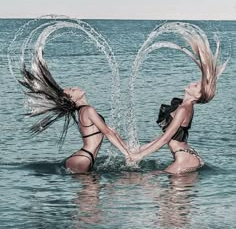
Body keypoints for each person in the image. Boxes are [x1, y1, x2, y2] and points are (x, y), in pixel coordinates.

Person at [128, 23, 228, 174]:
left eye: (196, 86)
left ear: (197, 96)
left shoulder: (183, 109)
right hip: (186, 156)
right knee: (160, 192)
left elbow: (165, 139)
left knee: (147, 181)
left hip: (185, 159)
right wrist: (140, 148)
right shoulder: (185, 106)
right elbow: (166, 136)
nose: (193, 83)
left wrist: (139, 155)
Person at [18, 49, 130, 174]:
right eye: (72, 89)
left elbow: (112, 131)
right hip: (83, 159)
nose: (76, 88)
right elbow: (107, 132)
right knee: (90, 193)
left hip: (84, 158)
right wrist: (127, 154)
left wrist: (129, 152)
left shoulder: (84, 111)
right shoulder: (88, 110)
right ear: (73, 98)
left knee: (92, 193)